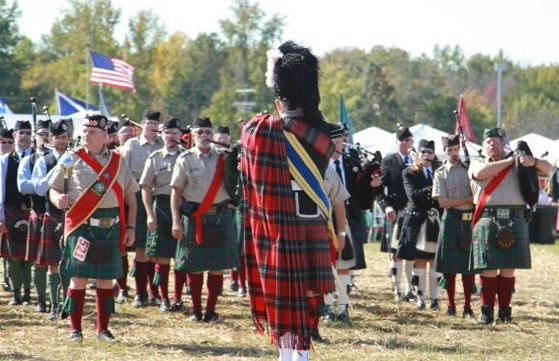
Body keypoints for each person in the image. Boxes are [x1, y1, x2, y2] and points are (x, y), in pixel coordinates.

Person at [241, 41, 337, 361]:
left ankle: (289, 355)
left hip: (280, 225)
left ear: (279, 97)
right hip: (312, 222)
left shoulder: (263, 129)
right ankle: (303, 355)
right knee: (309, 293)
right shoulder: (322, 133)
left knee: (284, 295)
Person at [48, 114, 138, 341]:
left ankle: (102, 330)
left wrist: (132, 228)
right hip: (82, 225)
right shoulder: (71, 158)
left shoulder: (118, 161)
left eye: (93, 132)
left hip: (110, 226)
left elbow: (130, 198)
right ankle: (75, 330)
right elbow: (53, 188)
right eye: (85, 131)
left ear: (106, 136)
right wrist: (58, 199)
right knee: (78, 278)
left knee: (106, 280)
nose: (87, 135)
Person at [469, 127, 552, 324]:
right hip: (488, 217)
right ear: (483, 145)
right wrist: (510, 161)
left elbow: (548, 168)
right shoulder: (477, 162)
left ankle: (505, 311)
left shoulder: (521, 162)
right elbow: (480, 173)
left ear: (504, 143)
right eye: (489, 142)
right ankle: (487, 310)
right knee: (488, 268)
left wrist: (533, 161)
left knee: (508, 268)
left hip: (515, 216)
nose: (493, 145)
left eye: (497, 141)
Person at [170, 116, 238, 322]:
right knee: (195, 267)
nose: (205, 136)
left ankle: (211, 311)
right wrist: (176, 220)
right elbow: (176, 192)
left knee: (217, 268)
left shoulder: (224, 158)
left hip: (220, 216)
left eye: (208, 132)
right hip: (195, 218)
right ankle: (197, 311)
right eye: (200, 132)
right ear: (192, 135)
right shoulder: (185, 159)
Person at [139, 118, 185, 312]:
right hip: (162, 208)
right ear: (161, 134)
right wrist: (150, 214)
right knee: (162, 257)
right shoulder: (155, 157)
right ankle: (164, 299)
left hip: (185, 209)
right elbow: (146, 188)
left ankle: (178, 298)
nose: (171, 136)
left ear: (181, 135)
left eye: (175, 132)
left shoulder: (188, 156)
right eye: (167, 132)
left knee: (182, 257)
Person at [121, 108, 163, 307]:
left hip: (159, 196)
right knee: (141, 248)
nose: (153, 127)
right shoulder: (131, 145)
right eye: (149, 123)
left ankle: (155, 292)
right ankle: (140, 293)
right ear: (142, 124)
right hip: (137, 196)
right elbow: (124, 174)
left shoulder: (163, 145)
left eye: (156, 124)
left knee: (156, 249)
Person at [29, 120, 71, 320]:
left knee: (71, 263)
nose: (62, 141)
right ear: (51, 139)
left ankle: (68, 305)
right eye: (58, 138)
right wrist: (55, 172)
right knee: (53, 263)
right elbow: (38, 189)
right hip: (52, 215)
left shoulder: (75, 158)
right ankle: (54, 306)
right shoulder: (43, 161)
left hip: (73, 216)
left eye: (64, 137)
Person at [432, 134, 476, 318]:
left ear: (459, 149)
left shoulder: (470, 169)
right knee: (449, 269)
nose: (453, 153)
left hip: (468, 221)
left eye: (455, 149)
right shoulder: (440, 173)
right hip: (450, 220)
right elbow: (442, 203)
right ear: (444, 152)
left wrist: (459, 201)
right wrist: (469, 200)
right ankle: (451, 306)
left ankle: (467, 307)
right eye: (449, 150)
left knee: (468, 268)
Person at [397, 139, 442, 310]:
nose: (426, 155)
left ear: (434, 154)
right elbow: (414, 196)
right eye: (423, 152)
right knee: (420, 261)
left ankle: (435, 299)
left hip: (435, 221)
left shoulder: (439, 170)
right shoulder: (409, 172)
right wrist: (436, 186)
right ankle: (421, 298)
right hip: (417, 221)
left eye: (429, 152)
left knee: (435, 261)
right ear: (418, 154)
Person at [377, 125, 416, 302]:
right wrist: (386, 207)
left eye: (409, 140)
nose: (406, 143)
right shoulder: (388, 161)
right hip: (396, 211)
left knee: (413, 252)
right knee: (396, 253)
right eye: (403, 140)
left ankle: (411, 290)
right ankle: (397, 289)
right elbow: (378, 189)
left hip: (414, 213)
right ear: (397, 142)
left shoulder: (417, 160)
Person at [17, 119, 51, 311]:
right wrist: (47, 183)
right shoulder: (27, 161)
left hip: (57, 213)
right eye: (41, 134)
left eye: (47, 134)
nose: (44, 137)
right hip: (38, 211)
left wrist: (38, 184)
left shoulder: (58, 157)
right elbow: (24, 187)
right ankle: (40, 299)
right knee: (38, 260)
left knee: (59, 260)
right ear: (35, 137)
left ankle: (56, 299)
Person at [0, 120, 34, 306]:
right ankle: (15, 293)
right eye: (21, 132)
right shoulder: (5, 160)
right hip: (11, 210)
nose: (25, 136)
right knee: (13, 255)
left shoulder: (38, 157)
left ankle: (28, 293)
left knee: (28, 255)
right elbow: (1, 191)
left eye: (28, 133)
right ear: (15, 136)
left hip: (31, 211)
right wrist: (1, 218)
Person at [0, 127, 14, 292]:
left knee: (7, 247)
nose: (6, 145)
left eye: (10, 142)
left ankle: (6, 278)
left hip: (6, 210)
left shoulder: (12, 161)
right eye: (3, 142)